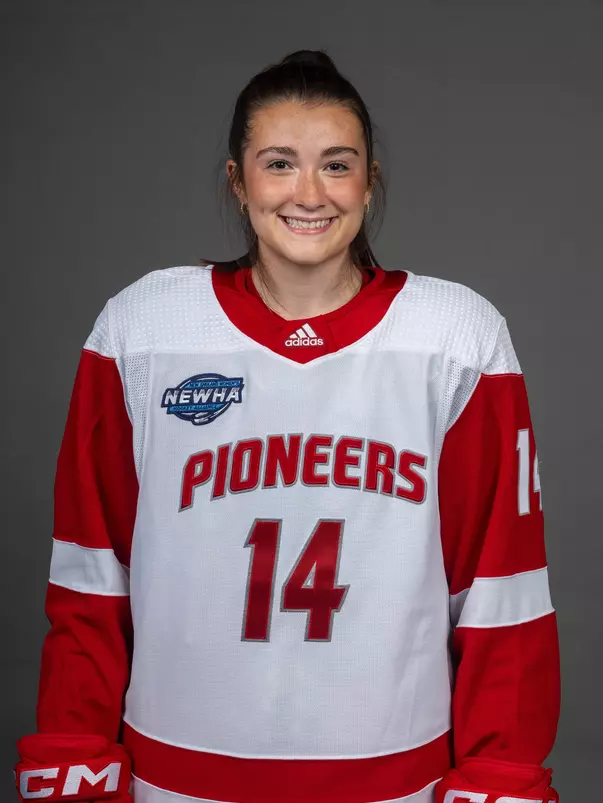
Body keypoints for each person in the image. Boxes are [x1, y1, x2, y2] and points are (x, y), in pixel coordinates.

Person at [15, 50, 560, 803]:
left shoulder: (455, 336)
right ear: (238, 183)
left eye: (337, 165)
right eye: (279, 164)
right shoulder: (144, 328)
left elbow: (502, 591)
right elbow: (90, 578)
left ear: (369, 181)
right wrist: (76, 756)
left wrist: (500, 775)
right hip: (172, 778)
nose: (309, 193)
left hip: (394, 781)